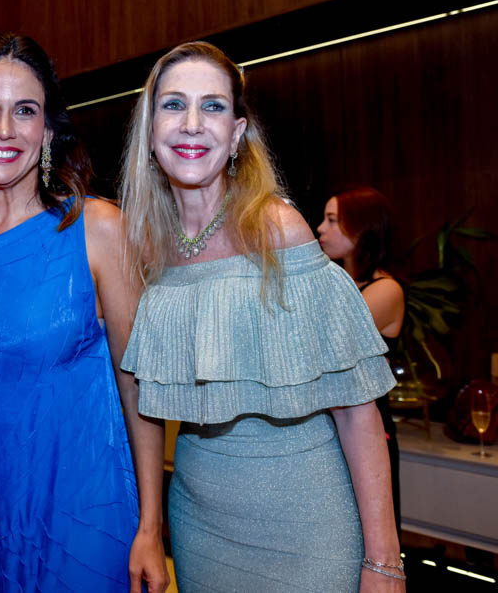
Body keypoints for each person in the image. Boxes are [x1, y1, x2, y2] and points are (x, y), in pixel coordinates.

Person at [119, 42, 404, 591]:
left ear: (238, 134)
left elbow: (356, 408)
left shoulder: (277, 230)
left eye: (214, 107)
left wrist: (384, 562)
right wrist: (150, 529)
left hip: (306, 523)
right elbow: (146, 404)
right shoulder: (150, 245)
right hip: (200, 525)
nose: (193, 124)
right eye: (173, 105)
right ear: (151, 130)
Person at [0, 33, 168, 593]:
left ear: (48, 130)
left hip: (81, 509)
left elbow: (139, 386)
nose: (4, 130)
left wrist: (151, 528)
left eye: (26, 112)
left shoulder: (95, 228)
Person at [319, 186, 404, 540]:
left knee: (369, 538)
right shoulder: (336, 284)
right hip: (330, 429)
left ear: (363, 229)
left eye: (332, 220)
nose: (320, 228)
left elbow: (327, 341)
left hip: (367, 431)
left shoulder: (386, 289)